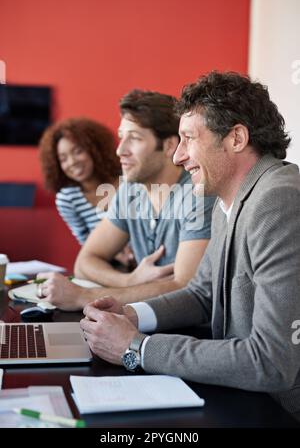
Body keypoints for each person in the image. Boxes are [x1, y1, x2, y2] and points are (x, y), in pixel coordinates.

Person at [79, 72, 300, 421]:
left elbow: (272, 362)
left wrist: (136, 346)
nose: (178, 156)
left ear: (237, 138)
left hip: (280, 409)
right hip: (244, 394)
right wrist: (131, 314)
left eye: (188, 139)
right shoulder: (230, 198)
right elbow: (201, 294)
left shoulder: (277, 201)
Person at [37, 90, 215, 309]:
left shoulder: (198, 193)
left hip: (186, 335)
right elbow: (85, 261)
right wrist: (130, 280)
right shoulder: (130, 190)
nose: (120, 150)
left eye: (135, 138)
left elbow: (185, 288)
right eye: (122, 137)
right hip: (137, 321)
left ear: (169, 146)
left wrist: (82, 297)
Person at [39, 117, 121, 245]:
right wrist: (118, 255)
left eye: (78, 151)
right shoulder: (68, 198)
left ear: (96, 150)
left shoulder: (128, 181)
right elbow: (86, 244)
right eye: (63, 159)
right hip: (106, 261)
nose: (72, 162)